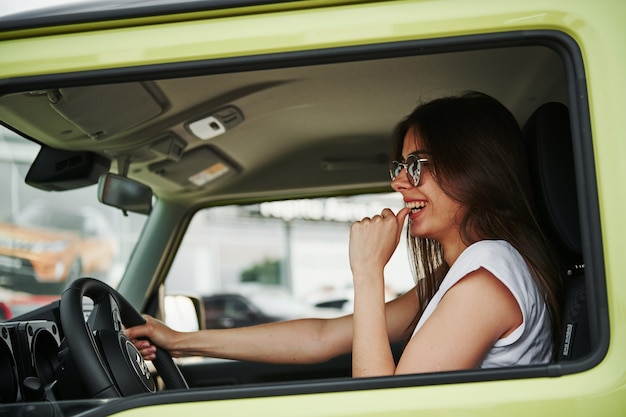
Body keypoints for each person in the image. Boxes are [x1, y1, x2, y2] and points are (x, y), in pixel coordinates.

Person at [125, 91, 562, 377]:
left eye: (416, 166)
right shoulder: (462, 275)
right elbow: (322, 337)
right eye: (398, 168)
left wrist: (369, 273)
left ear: (474, 168)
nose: (398, 183)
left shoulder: (486, 282)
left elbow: (386, 411)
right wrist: (178, 340)